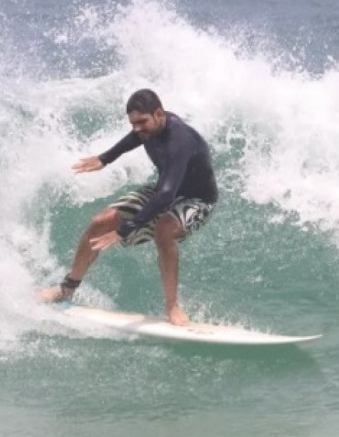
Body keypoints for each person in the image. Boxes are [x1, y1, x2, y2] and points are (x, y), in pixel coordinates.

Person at [41, 88, 218, 326]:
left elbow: (166, 196)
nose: (137, 128)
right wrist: (106, 158)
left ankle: (173, 306)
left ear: (159, 114)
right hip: (164, 187)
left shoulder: (180, 140)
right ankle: (66, 288)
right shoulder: (151, 127)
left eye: (142, 122)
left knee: (164, 229)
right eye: (133, 123)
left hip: (196, 199)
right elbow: (136, 137)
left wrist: (124, 229)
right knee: (100, 222)